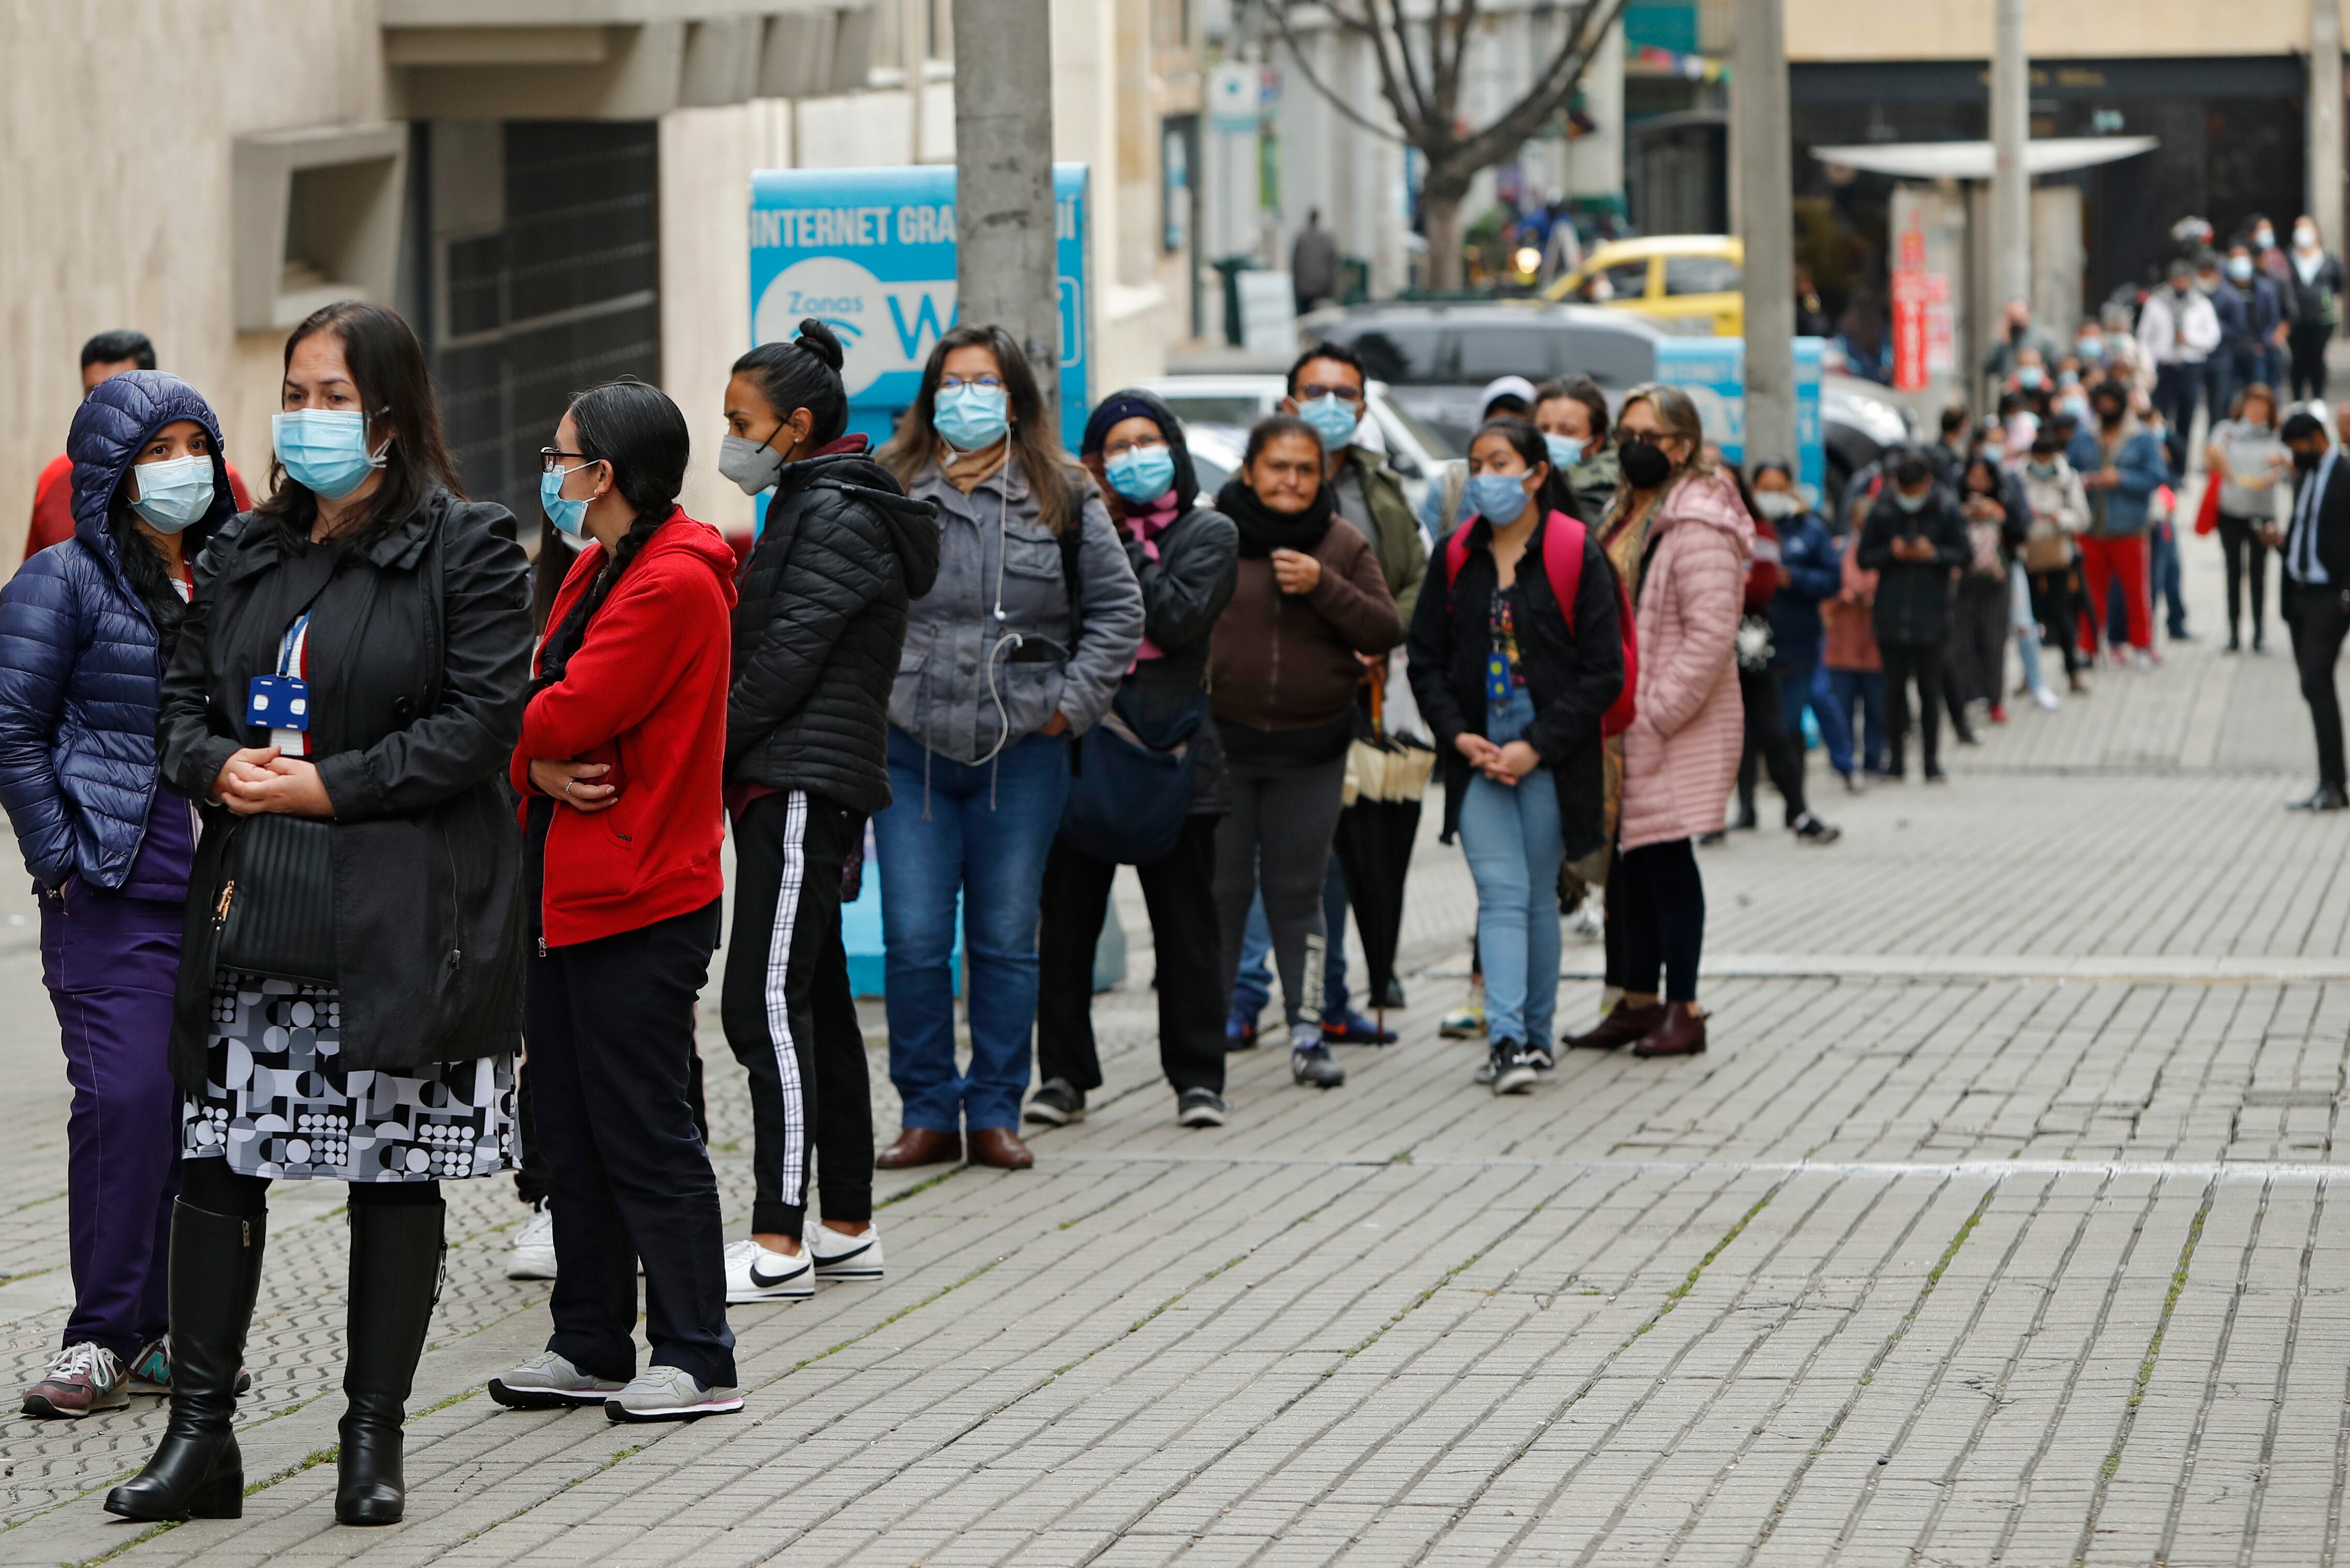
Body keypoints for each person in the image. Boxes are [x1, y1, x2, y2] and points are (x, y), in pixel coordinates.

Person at [110, 302, 533, 1528]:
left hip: (399, 910)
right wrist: (213, 766)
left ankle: (371, 1439)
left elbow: (479, 724)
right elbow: (181, 700)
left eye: (334, 395)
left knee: (390, 1167)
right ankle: (200, 1437)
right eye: (295, 391)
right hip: (259, 909)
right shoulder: (246, 547)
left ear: (392, 415)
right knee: (215, 1159)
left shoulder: (468, 545)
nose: (307, 416)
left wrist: (330, 782)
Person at [482, 380, 744, 1425]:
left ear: (611, 473)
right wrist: (527, 766)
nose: (551, 473)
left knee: (646, 1130)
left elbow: (568, 707)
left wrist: (516, 743)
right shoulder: (597, 565)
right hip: (567, 889)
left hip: (642, 895)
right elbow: (531, 711)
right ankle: (588, 1340)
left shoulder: (673, 581)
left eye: (564, 457)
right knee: (571, 1127)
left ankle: (696, 1353)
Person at [0, 373, 234, 1418]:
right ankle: (98, 1334)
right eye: (158, 449)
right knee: (125, 1100)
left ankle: (157, 1334)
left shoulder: (235, 573)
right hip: (113, 889)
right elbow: (12, 727)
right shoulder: (61, 581)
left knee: (196, 1117)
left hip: (226, 895)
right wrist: (60, 855)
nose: (182, 467)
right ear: (111, 470)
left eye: (196, 444)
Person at [870, 327, 1143, 1172]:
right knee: (914, 939)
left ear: (1015, 399)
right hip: (910, 749)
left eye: (984, 383)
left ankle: (994, 1108)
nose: (967, 397)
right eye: (952, 383)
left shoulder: (1063, 492)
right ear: (928, 397)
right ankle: (924, 1110)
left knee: (1003, 939)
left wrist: (1069, 708)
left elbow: (1117, 613)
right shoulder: (889, 484)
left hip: (1022, 752)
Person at [710, 323, 938, 1303]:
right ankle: (845, 1223)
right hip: (792, 776)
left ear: (795, 428)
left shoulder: (836, 515)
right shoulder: (813, 498)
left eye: (741, 423)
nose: (730, 440)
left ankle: (779, 1237)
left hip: (800, 779)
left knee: (760, 1004)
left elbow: (781, 666)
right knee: (819, 1005)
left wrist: (694, 749)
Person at [1031, 392, 1238, 1129]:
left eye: (1147, 440)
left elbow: (1176, 617)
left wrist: (1114, 541)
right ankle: (1061, 1076)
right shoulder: (1067, 530)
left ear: (1174, 448)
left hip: (1176, 754)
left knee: (1186, 929)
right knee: (1064, 927)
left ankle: (1197, 1077)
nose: (1133, 457)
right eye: (1115, 447)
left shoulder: (1208, 531)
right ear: (1092, 463)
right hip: (1085, 748)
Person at [1408, 417, 1623, 1092]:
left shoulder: (1573, 550)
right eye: (1476, 465)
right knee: (1500, 894)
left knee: (1535, 896)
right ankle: (1506, 1041)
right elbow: (1426, 661)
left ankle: (1535, 1034)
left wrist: (1536, 746)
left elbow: (1603, 671)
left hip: (1548, 752)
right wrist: (1458, 735)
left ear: (1534, 474)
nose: (1484, 479)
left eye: (1499, 463)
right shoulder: (1454, 554)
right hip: (1477, 753)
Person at [1229, 342, 1426, 1047]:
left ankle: (1327, 1001)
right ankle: (1246, 999)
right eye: (1317, 393)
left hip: (1347, 711)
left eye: (1346, 395)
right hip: (1248, 728)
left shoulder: (1379, 492)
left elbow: (1408, 581)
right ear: (1288, 405)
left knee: (1329, 866)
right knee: (1256, 873)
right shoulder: (1237, 504)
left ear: (1365, 408)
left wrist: (1379, 637)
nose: (1331, 408)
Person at [1210, 415, 1403, 1089]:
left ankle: (1308, 1032)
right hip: (1224, 747)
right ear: (1249, 472)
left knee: (1299, 893)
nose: (1291, 481)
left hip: (1314, 746)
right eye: (1277, 467)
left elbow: (1385, 626)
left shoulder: (1341, 541)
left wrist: (1323, 583)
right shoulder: (1215, 533)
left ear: (1322, 476)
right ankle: (1207, 1042)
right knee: (1223, 893)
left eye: (1304, 469)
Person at [1563, 384, 1748, 1059]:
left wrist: (1652, 713)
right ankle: (1635, 1002)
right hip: (1621, 716)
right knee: (1630, 865)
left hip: (1666, 720)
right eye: (1628, 435)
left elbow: (1709, 636)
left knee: (1667, 860)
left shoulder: (1698, 519)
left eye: (1653, 436)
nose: (1637, 447)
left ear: (1684, 446)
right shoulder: (1626, 507)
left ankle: (1684, 1007)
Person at [23, 333, 255, 567]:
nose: (111, 407)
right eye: (95, 393)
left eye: (197, 445)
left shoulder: (213, 477)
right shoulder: (55, 480)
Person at [1727, 469, 1838, 842]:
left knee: (1780, 727)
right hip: (1726, 637)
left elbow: (1766, 584)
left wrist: (1793, 579)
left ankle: (1796, 808)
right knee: (1737, 729)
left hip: (1778, 641)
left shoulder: (1800, 528)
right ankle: (1740, 809)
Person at [1857, 451, 1970, 783]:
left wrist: (1933, 554)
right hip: (1891, 616)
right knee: (1894, 692)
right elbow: (1865, 557)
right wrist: (1890, 553)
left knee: (1929, 691)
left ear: (1927, 483)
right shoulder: (1883, 509)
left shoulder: (1946, 508)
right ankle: (1896, 763)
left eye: (1914, 489)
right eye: (1903, 489)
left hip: (1932, 615)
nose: (1909, 496)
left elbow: (1964, 554)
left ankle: (1932, 762)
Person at [1752, 463, 1855, 802]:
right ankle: (1754, 799)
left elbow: (1831, 581)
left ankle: (1803, 792)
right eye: (1764, 488)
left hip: (1800, 643)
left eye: (1778, 488)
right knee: (1755, 725)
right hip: (1754, 643)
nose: (1771, 496)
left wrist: (1793, 578)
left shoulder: (1810, 529)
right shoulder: (1744, 527)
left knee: (1798, 716)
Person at [2272, 410, 2350, 810]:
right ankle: (2329, 783)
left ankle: (2333, 784)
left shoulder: (2344, 472)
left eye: (2297, 446)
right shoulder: (2304, 477)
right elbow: (2308, 531)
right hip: (2299, 593)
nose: (2293, 454)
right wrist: (2280, 543)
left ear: (2316, 438)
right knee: (2313, 685)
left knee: (2314, 682)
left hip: (2330, 596)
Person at [2067, 379, 2166, 665]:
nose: (2107, 409)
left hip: (2129, 527)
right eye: (2102, 404)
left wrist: (2122, 479)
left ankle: (2142, 646)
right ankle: (2088, 647)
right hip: (2091, 526)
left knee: (2136, 592)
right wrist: (2084, 481)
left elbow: (2156, 476)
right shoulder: (2084, 436)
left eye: (2112, 403)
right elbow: (2068, 472)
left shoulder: (2143, 437)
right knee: (2090, 592)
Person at [2206, 383, 2290, 655]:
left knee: (2259, 572)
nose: (2256, 411)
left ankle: (2259, 633)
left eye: (2262, 406)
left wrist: (2278, 470)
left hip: (2261, 511)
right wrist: (2216, 459)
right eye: (2252, 405)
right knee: (2233, 571)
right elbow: (2209, 457)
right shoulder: (2227, 432)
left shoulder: (2277, 436)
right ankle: (2233, 633)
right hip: (2231, 510)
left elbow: (2291, 468)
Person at [1418, 375, 1551, 540]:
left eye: (1500, 464)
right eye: (1476, 467)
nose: (1485, 475)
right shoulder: (1449, 489)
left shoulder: (1561, 528)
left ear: (1538, 474)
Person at [1945, 455, 2017, 732]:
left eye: (1983, 477)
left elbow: (2020, 532)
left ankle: (1995, 699)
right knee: (1962, 642)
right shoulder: (1953, 503)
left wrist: (1998, 514)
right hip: (1963, 582)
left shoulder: (2006, 498)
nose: (1978, 483)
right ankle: (1968, 696)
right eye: (1973, 477)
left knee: (1993, 640)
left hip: (1996, 582)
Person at [2017, 431, 2090, 699]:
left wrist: (2058, 517)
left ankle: (2073, 671)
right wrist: (2028, 518)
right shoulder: (2020, 478)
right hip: (2029, 555)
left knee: (2063, 614)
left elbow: (2083, 518)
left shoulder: (2068, 478)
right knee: (2029, 619)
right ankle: (2030, 675)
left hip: (2059, 555)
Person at [2138, 258, 2221, 482]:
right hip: (2165, 368)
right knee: (2159, 419)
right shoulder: (2157, 303)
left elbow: (2213, 337)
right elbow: (2144, 337)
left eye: (2185, 278)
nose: (2181, 283)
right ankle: (2159, 466)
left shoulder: (2201, 304)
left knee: (2187, 418)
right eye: (2177, 278)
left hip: (2190, 366)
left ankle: (2181, 469)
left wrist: (2189, 339)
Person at [1823, 525, 1887, 777]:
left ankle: (1874, 758)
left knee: (1876, 707)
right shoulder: (1837, 550)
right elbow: (1825, 587)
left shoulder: (1884, 552)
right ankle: (1843, 760)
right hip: (1841, 645)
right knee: (1841, 707)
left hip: (1875, 646)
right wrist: (1842, 596)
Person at [1534, 378, 1620, 517]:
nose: (1551, 438)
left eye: (1567, 431)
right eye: (1543, 429)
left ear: (1596, 443)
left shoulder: (1602, 497)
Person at [2285, 216, 2345, 401]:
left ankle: (2318, 397)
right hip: (2295, 319)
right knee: (2298, 359)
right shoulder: (2288, 258)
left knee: (2317, 358)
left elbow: (2340, 283)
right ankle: (2297, 399)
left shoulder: (2328, 258)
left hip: (2322, 319)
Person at [1981, 298, 2061, 391]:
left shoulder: (2044, 338)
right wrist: (2001, 342)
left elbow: (2057, 365)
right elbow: (1987, 367)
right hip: (2012, 395)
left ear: (2028, 315)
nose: (2016, 322)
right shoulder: (2004, 341)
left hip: (2040, 392)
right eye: (2013, 319)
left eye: (2019, 317)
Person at [1292, 210, 1340, 318]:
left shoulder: (1301, 238)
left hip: (1304, 288)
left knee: (1305, 318)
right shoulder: (1327, 238)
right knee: (1320, 318)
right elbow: (1333, 262)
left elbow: (1295, 262)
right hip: (1322, 287)